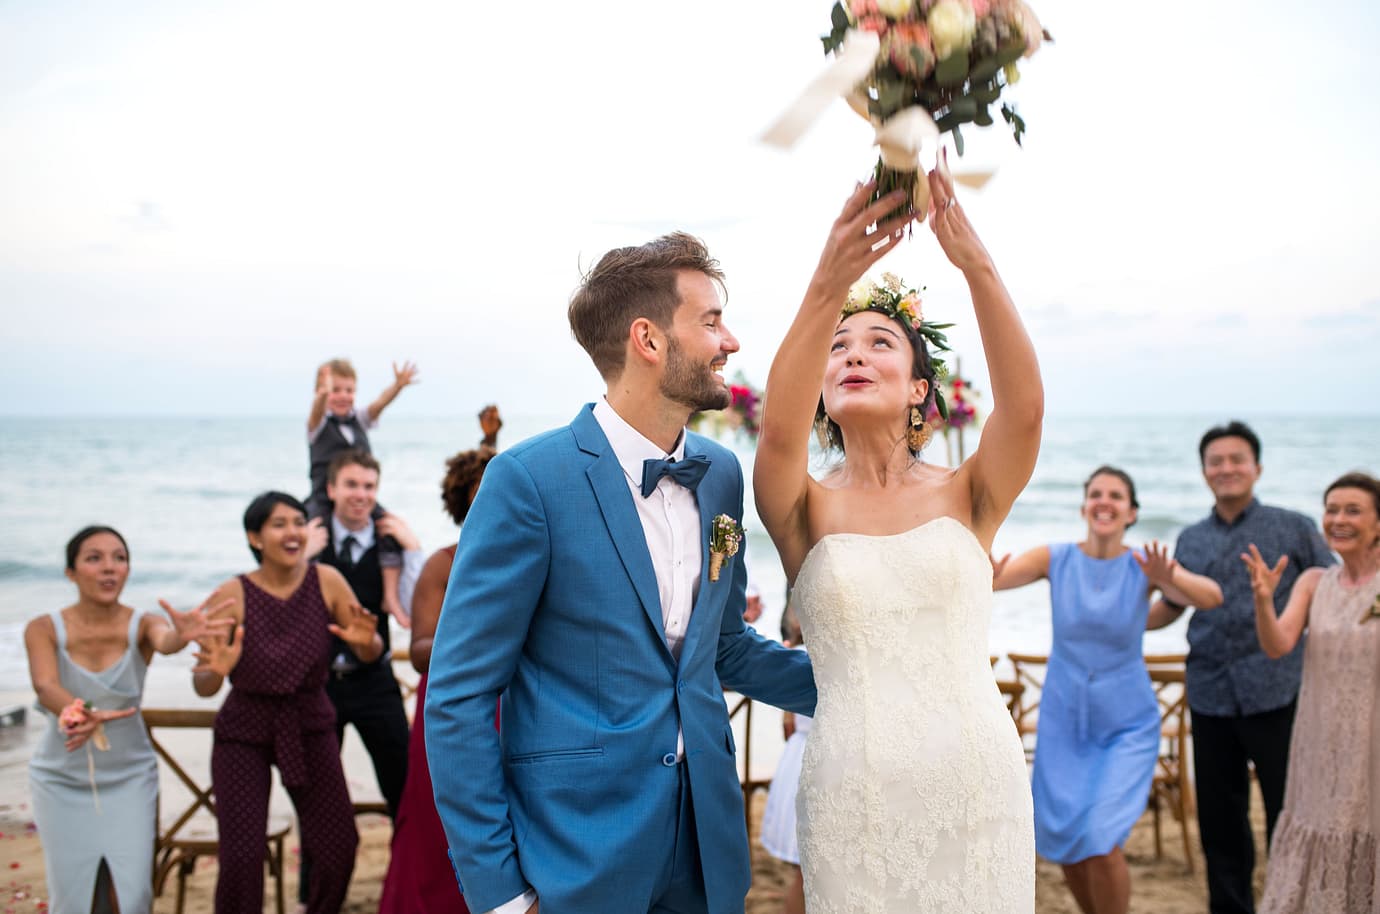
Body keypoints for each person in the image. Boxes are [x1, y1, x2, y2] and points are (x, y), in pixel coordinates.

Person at [424, 231, 817, 914]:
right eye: (712, 321)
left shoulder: (722, 476)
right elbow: (458, 697)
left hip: (706, 850)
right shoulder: (528, 481)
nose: (731, 343)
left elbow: (721, 647)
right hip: (575, 855)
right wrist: (500, 893)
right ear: (649, 339)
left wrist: (866, 689)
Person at [753, 166, 1042, 911]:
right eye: (837, 348)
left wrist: (974, 263)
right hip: (855, 792)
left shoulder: (969, 492)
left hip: (979, 783)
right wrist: (829, 281)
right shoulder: (801, 508)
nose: (852, 355)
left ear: (920, 388)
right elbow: (779, 432)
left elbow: (1027, 409)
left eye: (880, 342)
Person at [992, 467, 1223, 914]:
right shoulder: (1054, 558)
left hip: (1126, 723)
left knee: (1099, 835)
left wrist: (1169, 574)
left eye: (1116, 495)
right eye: (1096, 493)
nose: (1105, 501)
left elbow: (1211, 596)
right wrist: (988, 569)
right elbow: (995, 580)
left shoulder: (1145, 564)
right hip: (1063, 721)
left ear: (1131, 512)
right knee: (1066, 841)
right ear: (1083, 508)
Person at [1151, 421, 1335, 914]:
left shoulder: (1294, 526)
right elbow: (1172, 605)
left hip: (1279, 689)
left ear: (1257, 467)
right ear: (1204, 471)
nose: (1226, 469)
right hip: (1209, 691)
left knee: (1288, 812)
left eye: (1236, 460)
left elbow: (1334, 588)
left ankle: (1292, 903)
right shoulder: (1190, 538)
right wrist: (1115, 621)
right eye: (1216, 461)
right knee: (1221, 819)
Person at [192, 491, 382, 914]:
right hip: (243, 729)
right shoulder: (233, 592)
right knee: (241, 858)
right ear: (255, 537)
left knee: (338, 846)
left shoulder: (327, 581)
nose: (293, 531)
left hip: (310, 722)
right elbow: (203, 684)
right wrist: (216, 670)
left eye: (298, 521)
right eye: (279, 524)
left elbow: (369, 646)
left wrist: (368, 643)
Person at [25, 526, 230, 914]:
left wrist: (183, 636)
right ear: (71, 572)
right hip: (59, 778)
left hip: (130, 777)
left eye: (119, 558)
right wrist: (77, 712)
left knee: (134, 895)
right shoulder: (44, 628)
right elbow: (45, 685)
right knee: (71, 899)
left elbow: (166, 640)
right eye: (94, 558)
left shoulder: (143, 624)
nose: (109, 568)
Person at [1242, 472, 1380, 913]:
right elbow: (1277, 644)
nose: (1338, 519)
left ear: (1378, 523)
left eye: (1353, 510)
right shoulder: (1314, 582)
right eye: (1332, 509)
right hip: (1320, 739)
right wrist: (1263, 599)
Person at [379, 444, 500, 914]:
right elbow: (419, 652)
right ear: (461, 501)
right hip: (454, 702)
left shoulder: (532, 554)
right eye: (480, 490)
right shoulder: (441, 565)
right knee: (438, 819)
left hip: (515, 700)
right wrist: (476, 641)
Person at [306, 357, 419, 627]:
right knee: (311, 534)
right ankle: (310, 597)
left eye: (349, 390)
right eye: (336, 390)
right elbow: (316, 410)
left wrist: (398, 386)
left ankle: (390, 597)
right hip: (323, 497)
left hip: (359, 496)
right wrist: (322, 393)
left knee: (389, 529)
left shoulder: (360, 419)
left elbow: (379, 404)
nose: (343, 396)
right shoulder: (319, 424)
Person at [758, 607, 809, 914]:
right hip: (807, 761)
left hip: (798, 759)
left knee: (804, 876)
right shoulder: (806, 654)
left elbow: (788, 727)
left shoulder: (795, 653)